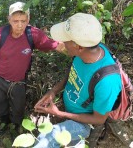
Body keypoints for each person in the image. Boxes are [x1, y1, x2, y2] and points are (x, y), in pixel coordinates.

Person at [33, 13, 122, 147]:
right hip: (69, 109)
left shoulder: (107, 82)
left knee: (48, 137)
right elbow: (73, 72)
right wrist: (53, 91)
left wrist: (59, 113)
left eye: (65, 40)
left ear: (79, 47)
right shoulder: (87, 51)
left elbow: (98, 119)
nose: (62, 43)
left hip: (83, 124)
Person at [0, 2, 65, 137]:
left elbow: (55, 45)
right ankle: (3, 122)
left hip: (19, 81)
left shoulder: (33, 34)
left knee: (18, 106)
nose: (19, 25)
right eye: (15, 21)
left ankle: (16, 127)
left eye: (23, 21)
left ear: (28, 19)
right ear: (9, 19)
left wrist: (77, 50)